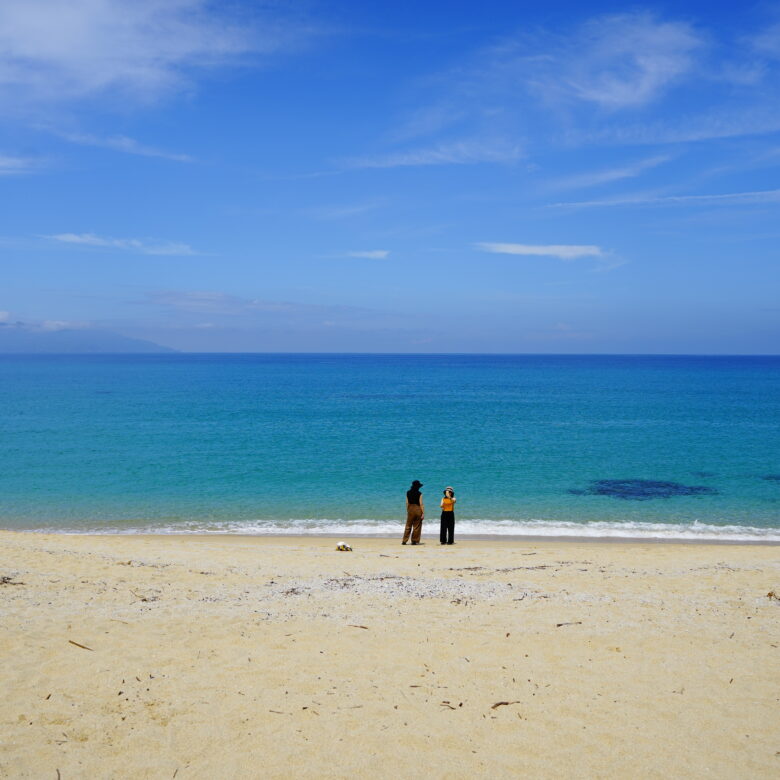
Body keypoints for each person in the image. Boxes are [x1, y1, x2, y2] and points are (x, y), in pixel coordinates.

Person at [402, 480, 424, 545]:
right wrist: (423, 513)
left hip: (410, 509)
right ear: (418, 487)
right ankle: (414, 541)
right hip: (417, 509)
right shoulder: (420, 493)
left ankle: (404, 541)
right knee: (416, 526)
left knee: (408, 526)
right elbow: (421, 504)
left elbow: (407, 502)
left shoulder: (408, 492)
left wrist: (408, 510)